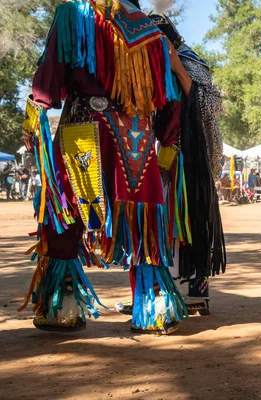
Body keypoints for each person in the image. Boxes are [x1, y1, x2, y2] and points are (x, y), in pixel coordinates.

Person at [19, 0, 193, 334]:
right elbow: (169, 99)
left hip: (85, 130)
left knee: (66, 213)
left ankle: (62, 309)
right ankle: (153, 307)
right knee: (142, 223)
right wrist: (169, 144)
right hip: (137, 140)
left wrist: (33, 117)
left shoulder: (76, 14)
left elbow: (51, 74)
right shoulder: (151, 31)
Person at [149, 11, 226, 316]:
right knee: (158, 223)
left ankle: (197, 291)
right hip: (158, 155)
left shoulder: (189, 60)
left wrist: (179, 69)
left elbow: (212, 106)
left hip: (191, 158)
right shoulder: (143, 66)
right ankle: (156, 289)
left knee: (195, 219)